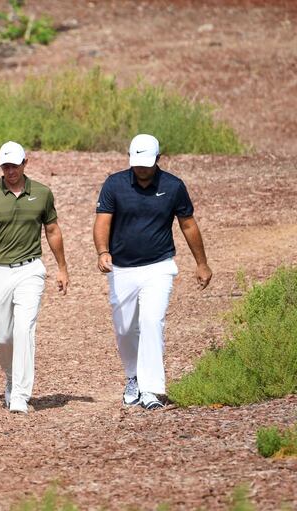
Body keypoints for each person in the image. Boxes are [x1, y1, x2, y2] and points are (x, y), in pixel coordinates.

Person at [93, 134, 212, 410]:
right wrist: (102, 252)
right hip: (121, 269)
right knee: (124, 329)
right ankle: (133, 376)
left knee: (151, 322)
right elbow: (102, 222)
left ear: (158, 159)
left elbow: (188, 225)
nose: (142, 169)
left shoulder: (173, 187)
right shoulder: (115, 184)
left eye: (147, 163)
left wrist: (201, 262)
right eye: (137, 163)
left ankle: (151, 390)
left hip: (159, 266)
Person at [0, 141, 69, 414]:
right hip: (0, 270)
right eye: (6, 166)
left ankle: (20, 395)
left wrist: (62, 268)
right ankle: (12, 376)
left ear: (26, 163)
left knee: (24, 328)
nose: (10, 170)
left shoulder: (42, 193)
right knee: (3, 336)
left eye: (15, 165)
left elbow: (52, 230)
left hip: (31, 269)